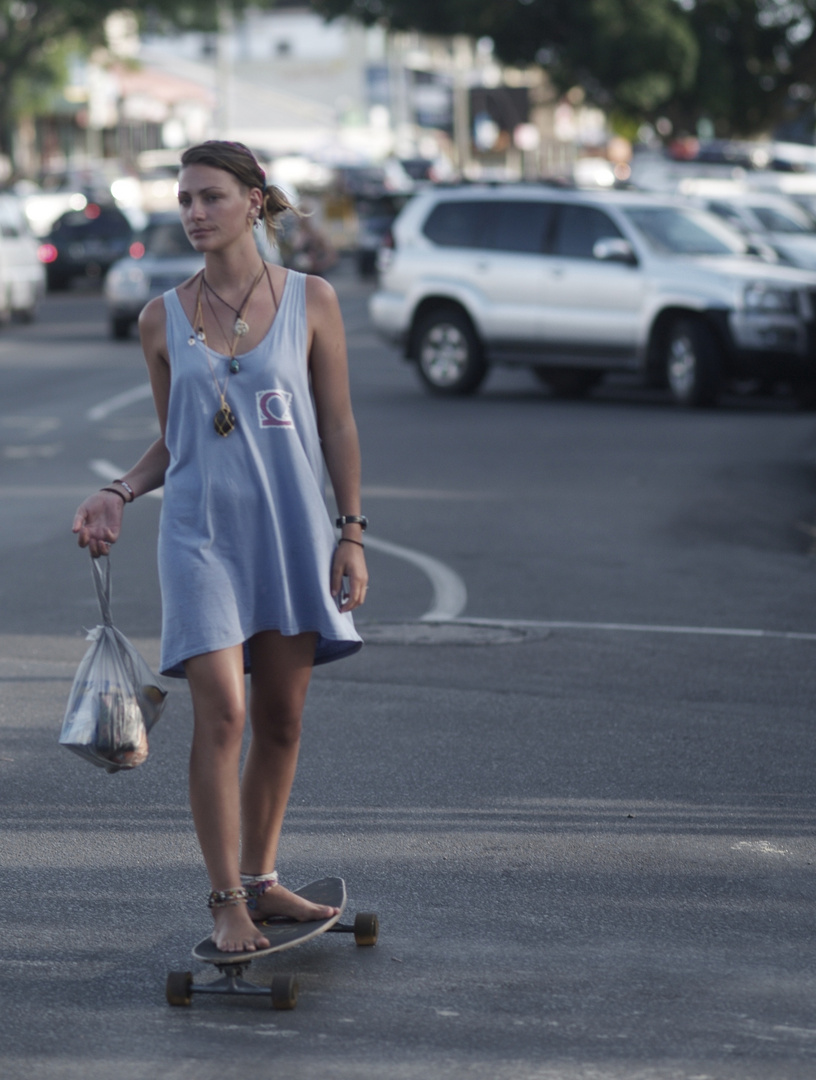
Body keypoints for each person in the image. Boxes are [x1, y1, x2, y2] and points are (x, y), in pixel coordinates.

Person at [72, 141, 368, 954]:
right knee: (225, 715)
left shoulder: (312, 301)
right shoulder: (160, 318)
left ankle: (265, 879)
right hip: (199, 539)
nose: (195, 213)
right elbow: (174, 443)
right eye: (185, 201)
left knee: (281, 719)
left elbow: (338, 424)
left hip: (292, 535)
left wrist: (351, 532)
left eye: (209, 197)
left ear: (253, 200)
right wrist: (119, 490)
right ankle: (226, 898)